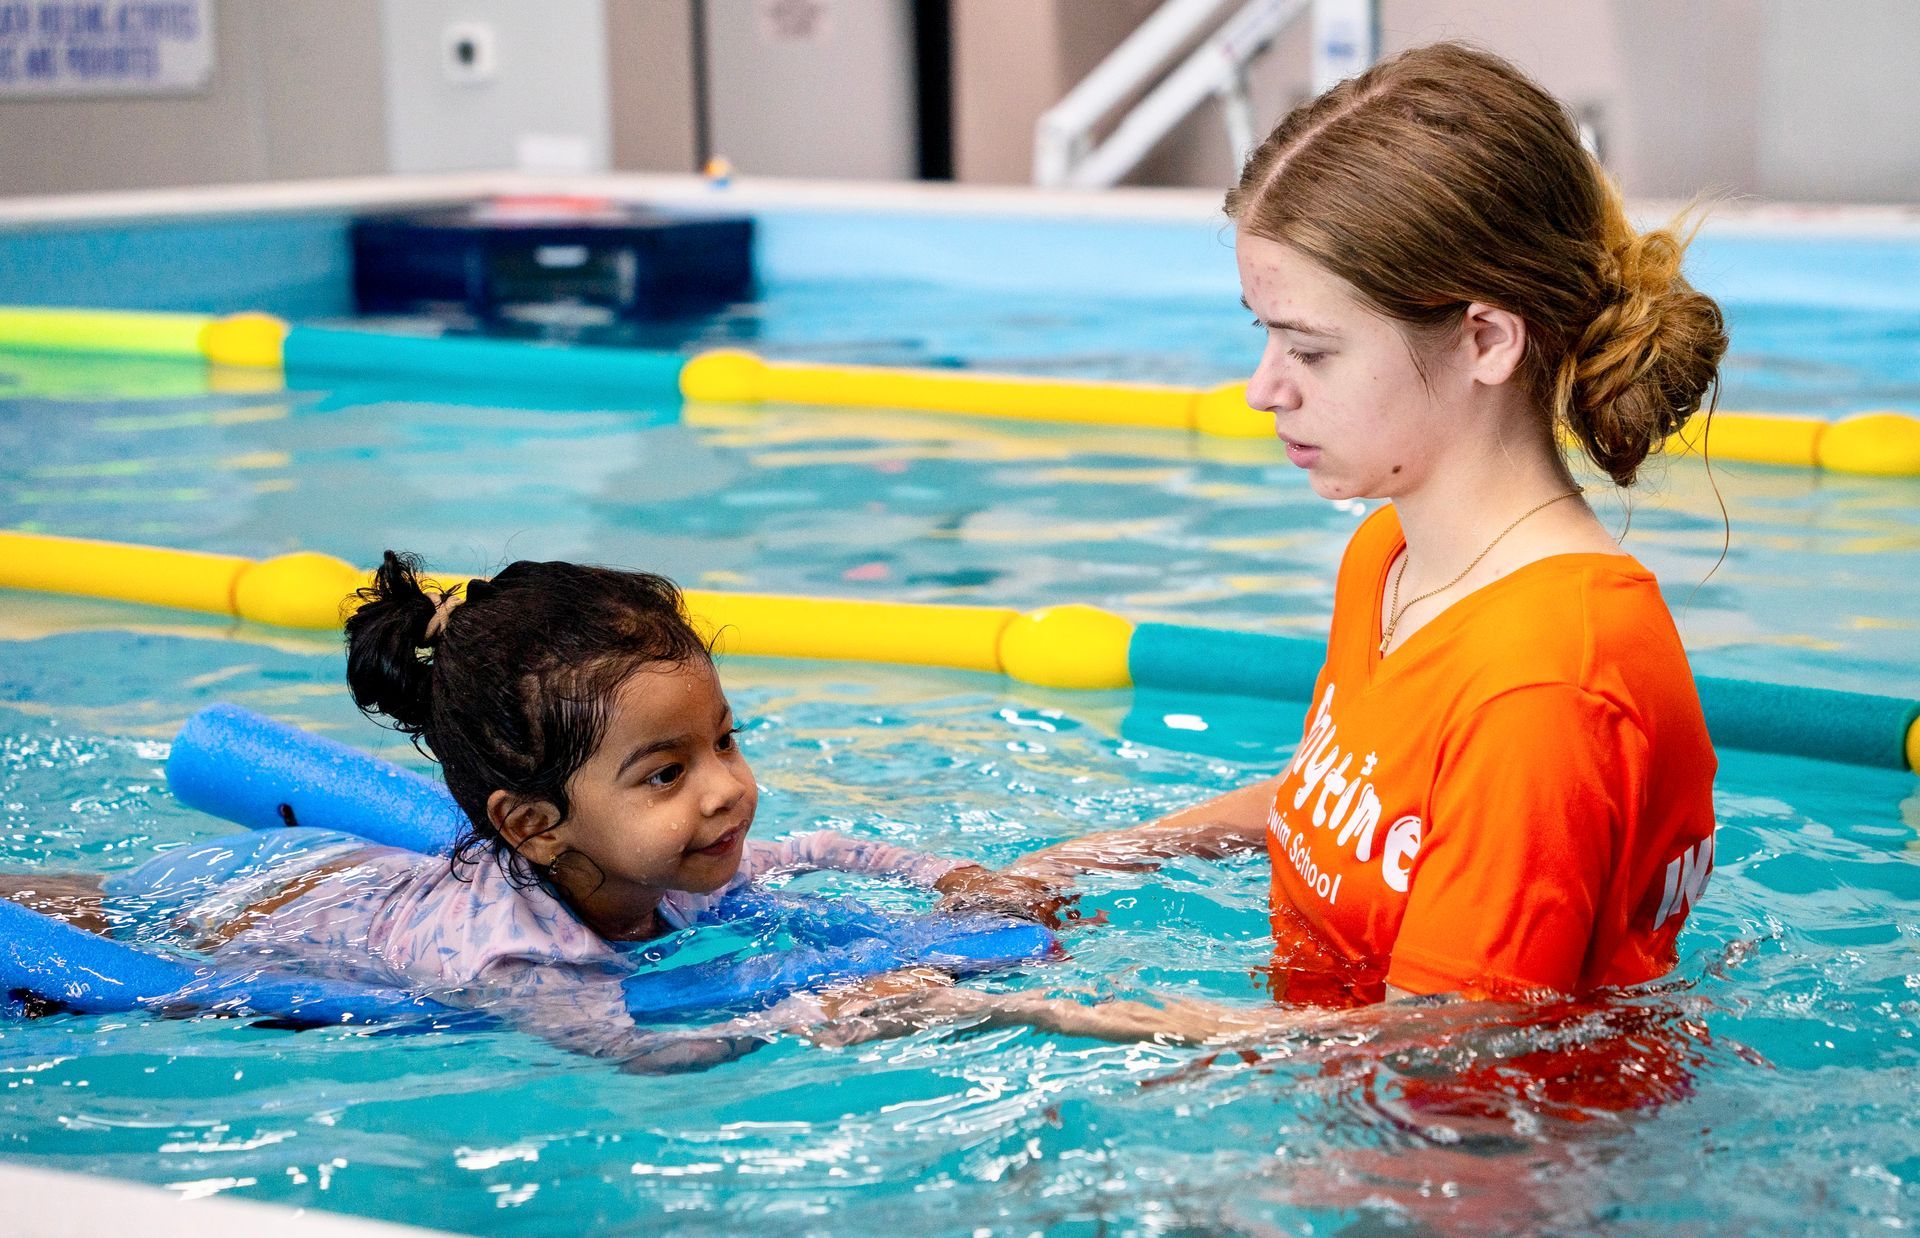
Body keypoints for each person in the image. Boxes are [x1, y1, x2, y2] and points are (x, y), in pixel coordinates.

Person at [1004, 41, 1727, 1017]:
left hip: (1484, 1156)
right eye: (1262, 334)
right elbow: (1349, 806)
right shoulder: (1391, 555)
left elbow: (1452, 1049)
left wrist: (1035, 1015)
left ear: (1485, 340)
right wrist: (1080, 861)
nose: (1265, 388)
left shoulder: (1543, 685)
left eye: (1310, 348)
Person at [1, 551, 1068, 1069]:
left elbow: (824, 847)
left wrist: (942, 878)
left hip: (361, 873)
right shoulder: (516, 961)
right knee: (79, 914)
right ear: (533, 821)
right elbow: (637, 1050)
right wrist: (808, 1016)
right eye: (666, 772)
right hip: (249, 913)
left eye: (726, 740)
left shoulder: (667, 854)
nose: (725, 788)